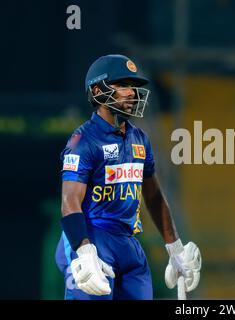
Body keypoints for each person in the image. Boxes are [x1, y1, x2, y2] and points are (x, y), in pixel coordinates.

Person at [55, 54, 201, 300]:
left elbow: (153, 196)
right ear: (98, 90)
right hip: (93, 237)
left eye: (133, 86)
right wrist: (84, 249)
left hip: (129, 242)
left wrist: (175, 248)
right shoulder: (83, 141)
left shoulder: (139, 139)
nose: (132, 92)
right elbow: (70, 202)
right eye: (122, 85)